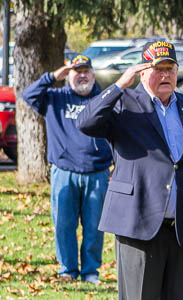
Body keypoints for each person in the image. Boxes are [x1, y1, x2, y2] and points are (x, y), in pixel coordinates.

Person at [76, 40, 183, 300]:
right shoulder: (123, 103)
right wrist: (120, 84)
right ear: (143, 72)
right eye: (158, 68)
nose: (165, 75)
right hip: (138, 222)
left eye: (170, 68)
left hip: (182, 226)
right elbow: (85, 123)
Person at [22, 55, 112, 284]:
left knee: (94, 227)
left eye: (86, 71)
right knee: (64, 225)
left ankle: (91, 271)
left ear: (93, 74)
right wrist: (53, 76)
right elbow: (28, 94)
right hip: (64, 172)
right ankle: (67, 271)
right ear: (68, 75)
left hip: (97, 172)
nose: (82, 75)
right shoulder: (55, 98)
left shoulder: (102, 100)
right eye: (76, 71)